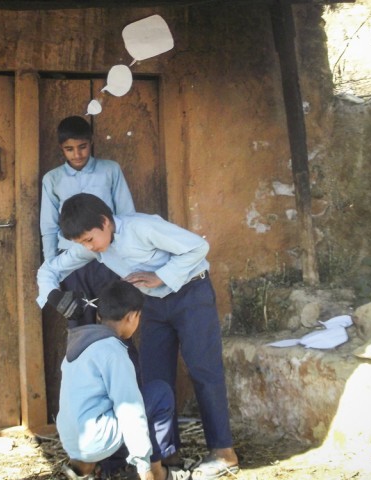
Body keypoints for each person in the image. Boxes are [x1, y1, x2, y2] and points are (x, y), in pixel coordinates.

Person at [39, 193, 239, 479]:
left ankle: (223, 452)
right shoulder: (96, 247)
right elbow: (49, 269)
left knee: (203, 369)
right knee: (154, 377)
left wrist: (161, 276)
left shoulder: (142, 227)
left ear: (105, 222)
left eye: (89, 239)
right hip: (152, 304)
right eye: (82, 243)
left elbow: (198, 247)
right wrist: (54, 295)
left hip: (191, 294)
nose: (88, 248)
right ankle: (165, 455)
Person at [56, 279, 191, 480]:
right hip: (98, 439)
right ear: (132, 317)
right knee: (159, 393)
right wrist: (144, 465)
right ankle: (157, 470)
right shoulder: (114, 352)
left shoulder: (78, 347)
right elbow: (131, 411)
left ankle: (83, 471)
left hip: (71, 441)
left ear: (99, 316)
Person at [40, 115, 135, 327]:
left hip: (109, 255)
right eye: (69, 149)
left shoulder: (110, 170)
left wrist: (127, 256)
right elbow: (48, 226)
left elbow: (127, 213)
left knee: (115, 318)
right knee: (79, 320)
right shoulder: (52, 179)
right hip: (72, 260)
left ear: (91, 142)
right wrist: (52, 265)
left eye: (82, 146)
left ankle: (117, 359)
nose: (77, 154)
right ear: (61, 148)